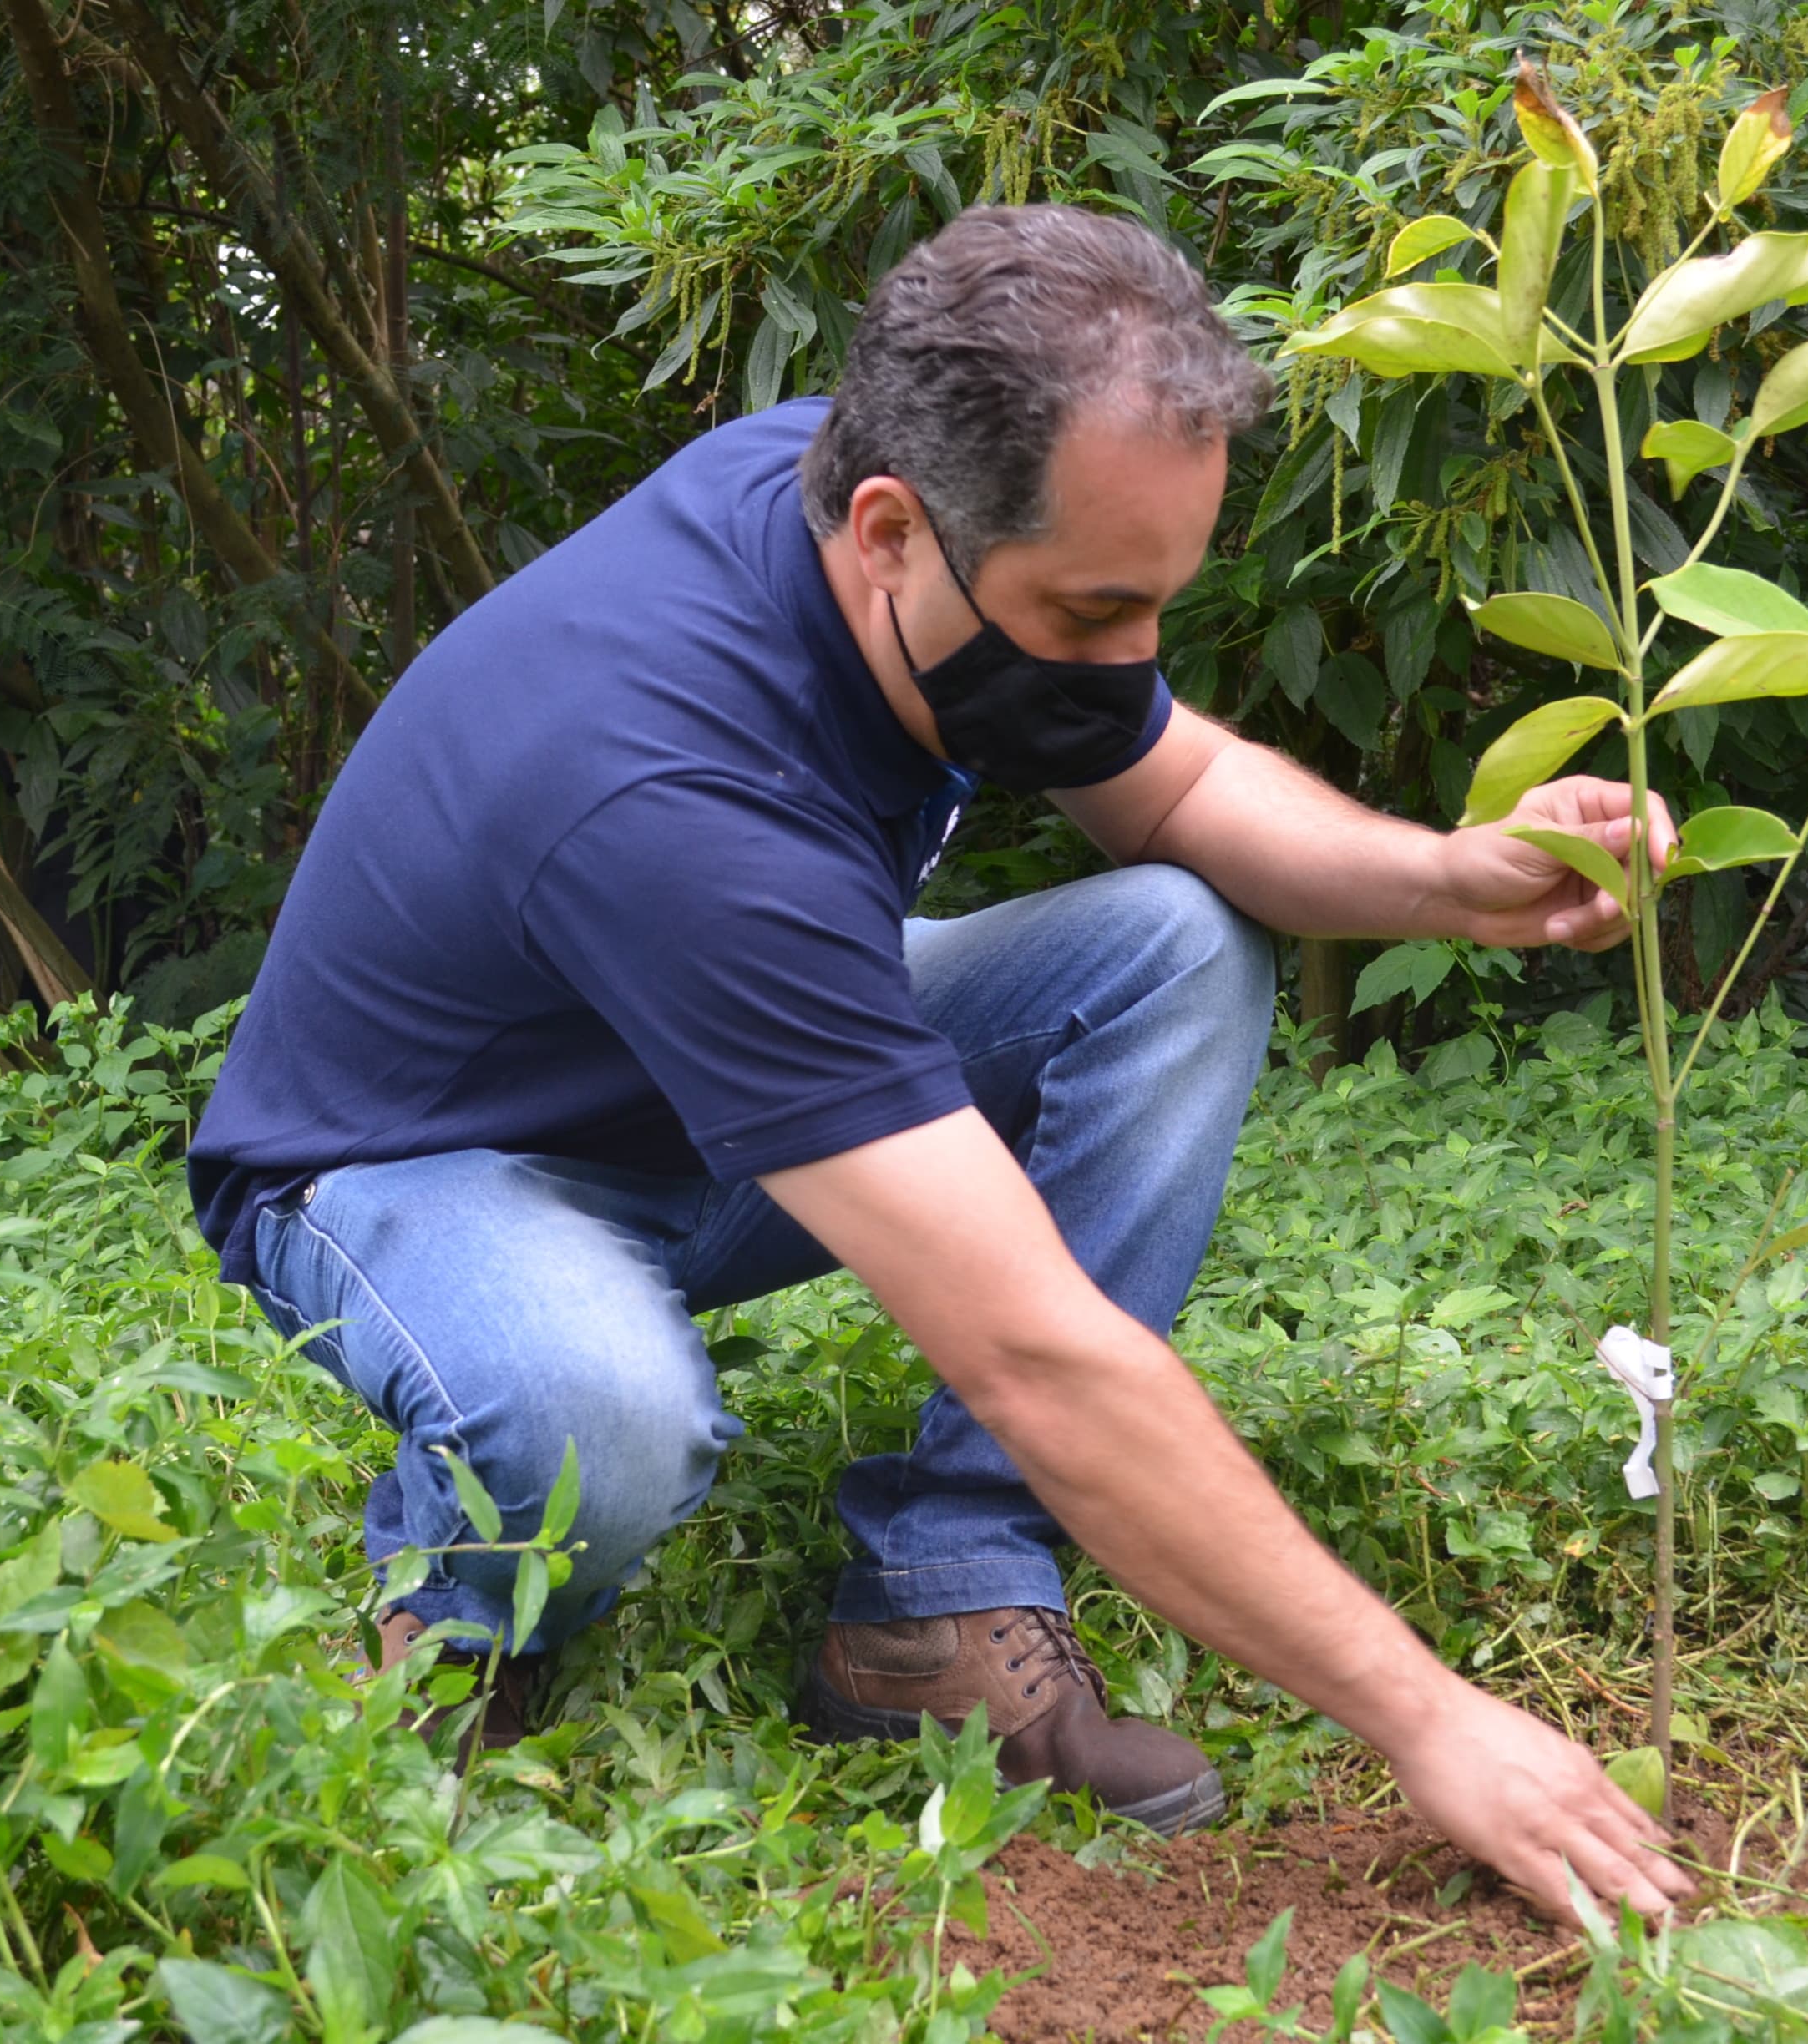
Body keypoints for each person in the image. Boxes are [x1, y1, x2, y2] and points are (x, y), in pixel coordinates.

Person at [189, 204, 1690, 1920]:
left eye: (1157, 610)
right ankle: (451, 1638)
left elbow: (1178, 791)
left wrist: (1447, 876)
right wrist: (1431, 1721)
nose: (1129, 666)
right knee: (597, 1421)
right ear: (894, 530)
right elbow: (1045, 1359)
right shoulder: (667, 786)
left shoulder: (876, 513)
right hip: (416, 1163)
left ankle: (937, 1596)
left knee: (1175, 947)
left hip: (698, 1095)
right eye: (1093, 611)